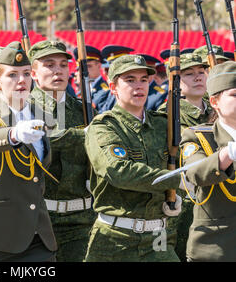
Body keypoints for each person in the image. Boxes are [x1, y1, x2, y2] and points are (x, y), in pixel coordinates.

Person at [84, 54, 182, 262]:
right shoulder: (104, 126)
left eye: (144, 80)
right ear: (113, 87)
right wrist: (178, 179)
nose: (139, 86)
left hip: (159, 238)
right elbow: (118, 172)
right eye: (130, 80)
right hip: (116, 239)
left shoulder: (163, 125)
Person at [0, 41, 57, 262]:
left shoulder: (41, 114)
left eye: (26, 74)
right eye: (12, 75)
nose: (22, 81)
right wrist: (13, 134)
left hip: (37, 232)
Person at [27, 40, 95, 262]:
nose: (58, 70)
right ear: (33, 73)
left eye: (63, 65)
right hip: (38, 219)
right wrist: (81, 135)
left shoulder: (83, 110)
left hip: (81, 220)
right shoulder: (23, 110)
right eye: (49, 65)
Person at [157, 52, 213, 261]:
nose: (198, 77)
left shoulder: (219, 110)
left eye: (201, 72)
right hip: (187, 202)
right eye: (189, 74)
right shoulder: (168, 115)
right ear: (176, 82)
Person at [179, 61, 236, 261]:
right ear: (214, 102)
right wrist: (229, 152)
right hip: (215, 247)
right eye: (235, 95)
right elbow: (196, 173)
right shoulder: (198, 136)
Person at [92, 45, 134, 113]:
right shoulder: (110, 92)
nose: (107, 74)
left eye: (111, 70)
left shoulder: (129, 93)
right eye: (107, 70)